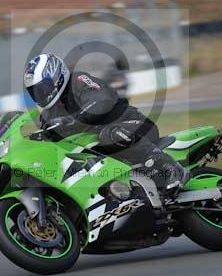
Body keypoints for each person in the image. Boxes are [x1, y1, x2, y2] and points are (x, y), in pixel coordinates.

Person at [23, 53, 189, 194]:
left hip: (135, 126)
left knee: (108, 136)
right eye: (35, 92)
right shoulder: (48, 115)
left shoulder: (78, 80)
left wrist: (71, 120)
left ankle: (169, 167)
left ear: (55, 76)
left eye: (42, 88)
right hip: (103, 151)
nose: (40, 95)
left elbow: (101, 101)